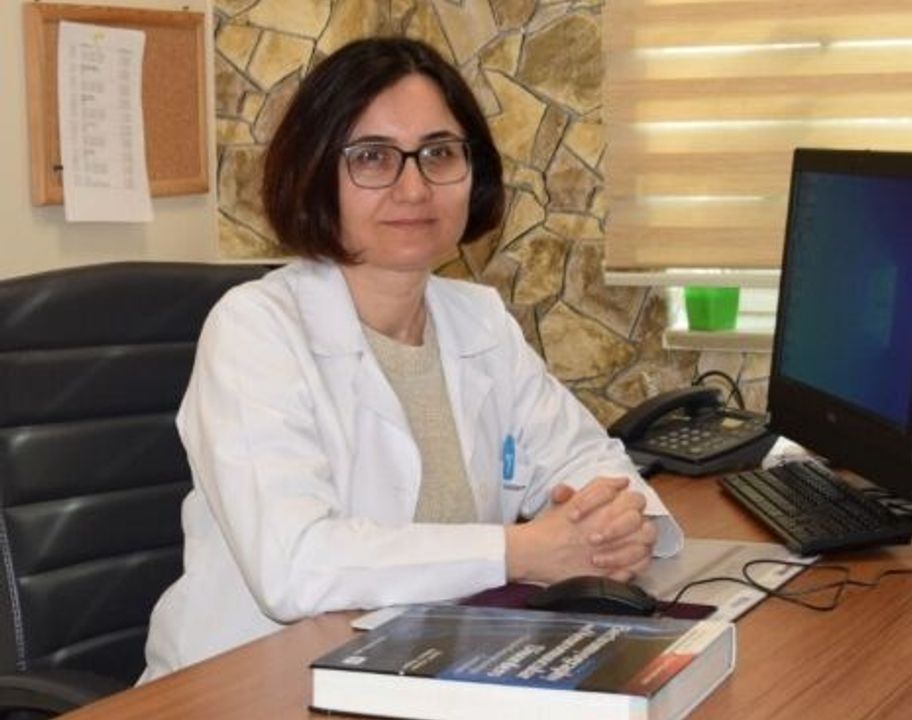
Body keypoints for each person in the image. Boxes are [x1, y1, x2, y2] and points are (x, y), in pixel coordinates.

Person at [140, 37, 682, 681]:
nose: (414, 187)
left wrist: (623, 527)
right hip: (252, 682)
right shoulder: (254, 330)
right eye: (373, 157)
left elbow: (587, 460)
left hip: (433, 666)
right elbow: (296, 565)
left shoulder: (478, 319)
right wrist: (519, 551)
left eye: (439, 153)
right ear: (316, 173)